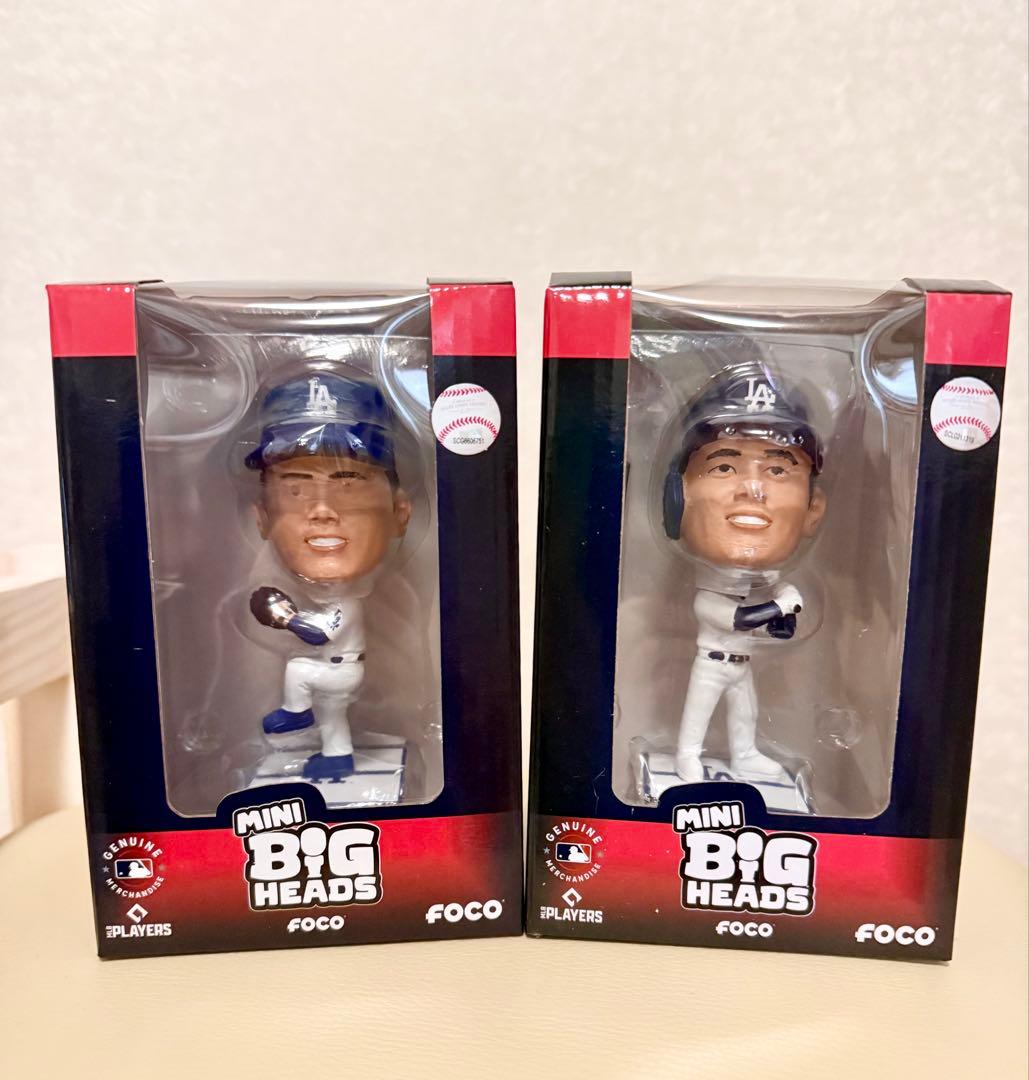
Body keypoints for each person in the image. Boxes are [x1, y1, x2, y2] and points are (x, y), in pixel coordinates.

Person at [661, 362, 826, 784]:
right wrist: (781, 605)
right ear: (677, 497)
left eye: (777, 470)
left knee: (746, 713)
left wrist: (785, 616)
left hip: (741, 664)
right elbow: (741, 618)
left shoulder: (766, 581)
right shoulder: (710, 594)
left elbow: (778, 631)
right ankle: (687, 759)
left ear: (813, 509)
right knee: (696, 718)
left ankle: (746, 755)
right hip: (711, 664)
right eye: (724, 467)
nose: (752, 489)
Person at [246, 371, 411, 782]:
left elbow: (319, 634)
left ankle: (295, 713)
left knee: (298, 671)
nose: (322, 510)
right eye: (296, 487)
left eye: (348, 482)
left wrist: (287, 617)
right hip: (335, 673)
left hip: (339, 669)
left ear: (400, 513)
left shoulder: (346, 602)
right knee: (333, 720)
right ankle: (338, 757)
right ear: (261, 517)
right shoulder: (335, 598)